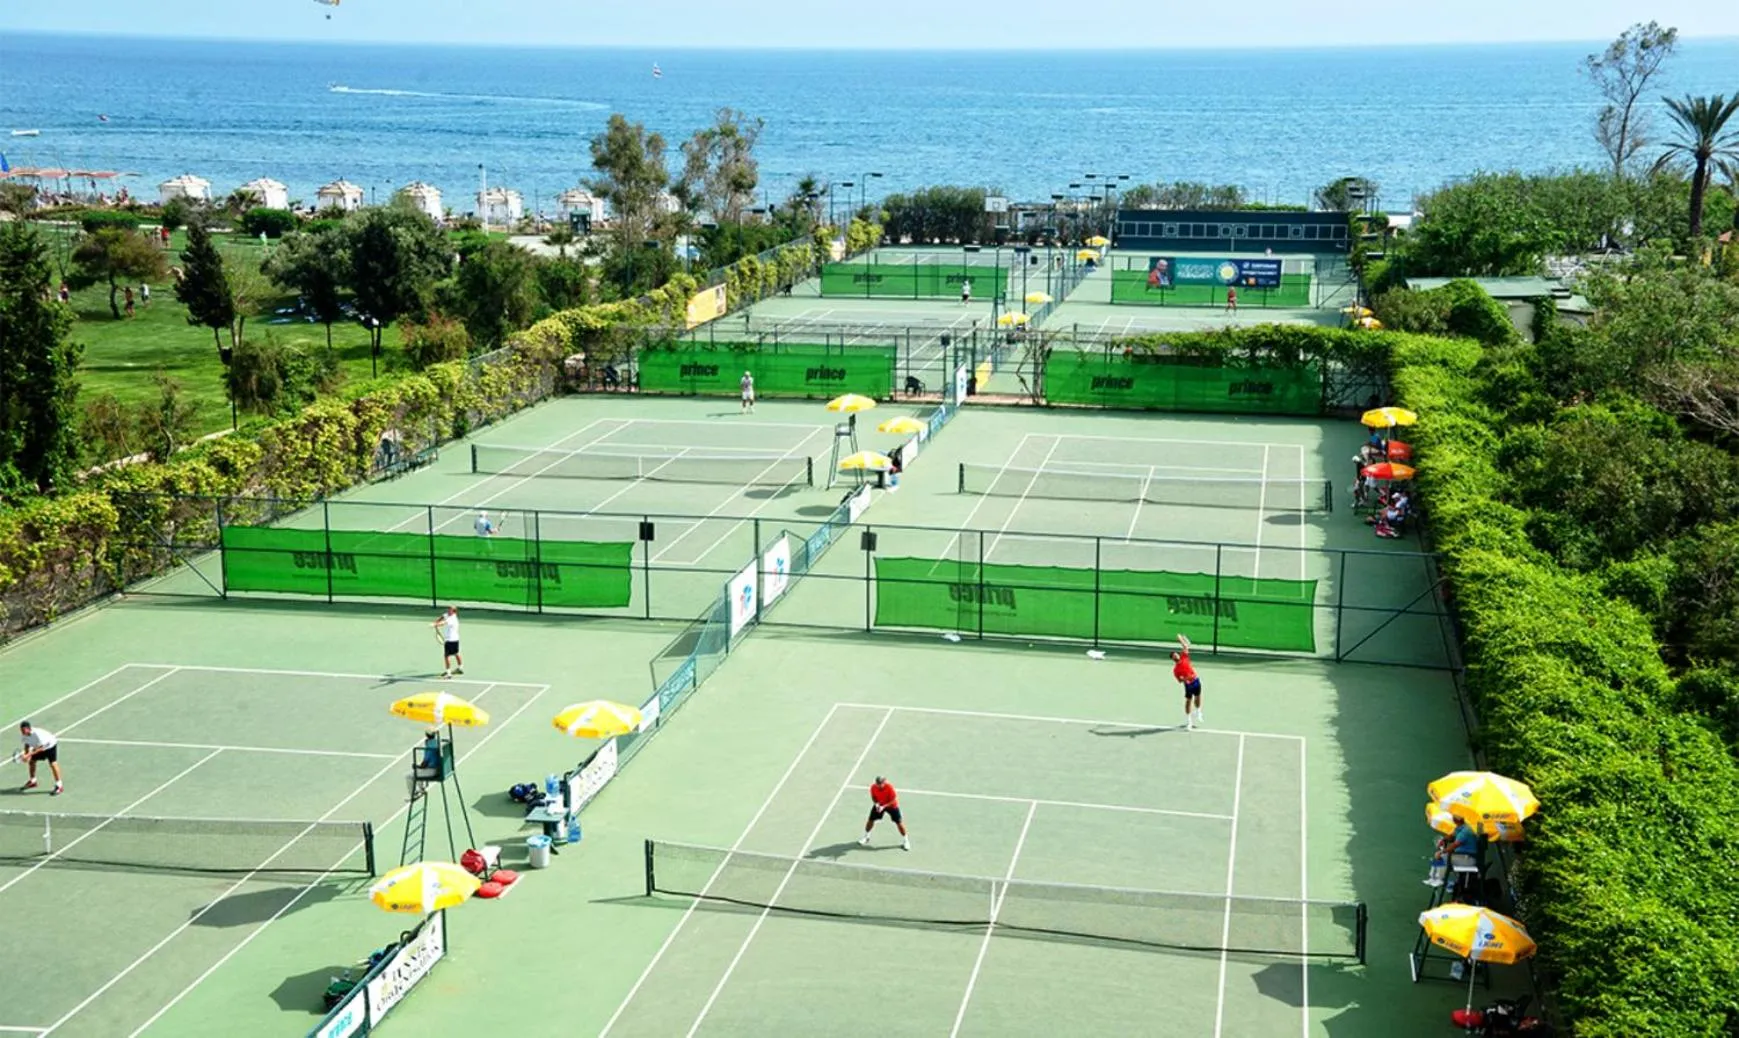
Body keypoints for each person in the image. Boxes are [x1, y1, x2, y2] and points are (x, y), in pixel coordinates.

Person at [859, 775, 910, 850]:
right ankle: (866, 837)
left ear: (884, 782)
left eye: (880, 783)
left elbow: (893, 800)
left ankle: (906, 841)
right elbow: (873, 797)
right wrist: (876, 804)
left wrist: (884, 807)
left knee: (899, 822)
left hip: (892, 806)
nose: (879, 785)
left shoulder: (889, 787)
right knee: (870, 820)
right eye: (877, 783)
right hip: (880, 805)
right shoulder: (873, 787)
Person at [18, 722, 62, 796]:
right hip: (39, 746)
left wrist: (28, 754)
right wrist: (26, 755)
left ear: (28, 729)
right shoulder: (24, 735)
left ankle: (59, 786)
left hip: (50, 745)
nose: (22, 732)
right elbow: (27, 744)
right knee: (32, 761)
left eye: (23, 730)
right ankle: (33, 781)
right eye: (21, 730)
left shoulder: (37, 734)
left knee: (53, 764)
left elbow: (41, 748)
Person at [1172, 633, 1203, 730]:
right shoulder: (1176, 670)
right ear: (1173, 659)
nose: (1176, 655)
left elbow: (1185, 646)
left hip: (1196, 680)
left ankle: (1198, 712)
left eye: (1176, 654)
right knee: (1188, 701)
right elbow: (1179, 680)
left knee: (1198, 697)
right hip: (1188, 685)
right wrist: (1186, 679)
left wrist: (1180, 639)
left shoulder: (1184, 656)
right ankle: (1189, 722)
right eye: (1174, 656)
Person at [433, 606, 463, 678]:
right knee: (456, 653)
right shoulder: (449, 615)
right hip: (455, 639)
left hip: (450, 640)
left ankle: (448, 673)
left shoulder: (452, 619)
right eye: (448, 610)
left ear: (454, 612)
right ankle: (460, 668)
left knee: (446, 656)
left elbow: (443, 623)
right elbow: (443, 616)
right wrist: (436, 621)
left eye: (450, 611)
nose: (448, 611)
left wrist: (435, 624)